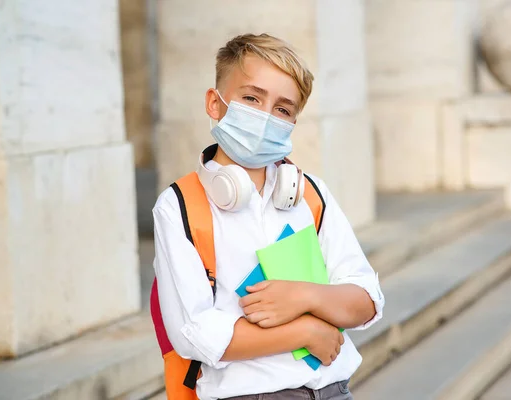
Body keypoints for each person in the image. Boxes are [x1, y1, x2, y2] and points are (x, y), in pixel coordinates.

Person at [152, 33, 384, 400]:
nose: (265, 116)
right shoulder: (180, 205)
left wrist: (303, 296)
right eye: (250, 98)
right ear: (215, 103)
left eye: (283, 108)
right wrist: (305, 333)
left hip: (335, 390)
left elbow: (367, 299)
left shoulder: (310, 194)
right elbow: (195, 333)